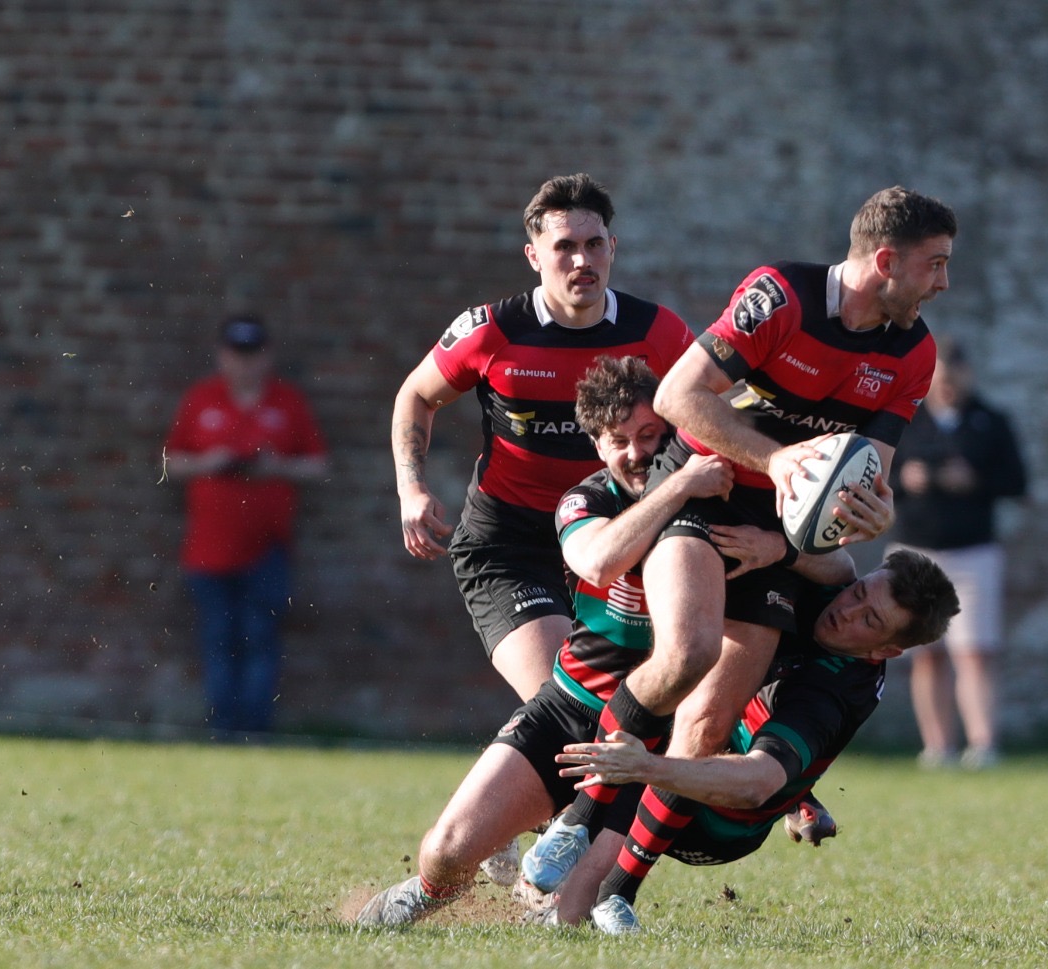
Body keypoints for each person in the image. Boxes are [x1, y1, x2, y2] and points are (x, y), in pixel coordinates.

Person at [524, 186, 957, 881]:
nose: (943, 282)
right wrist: (777, 460)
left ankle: (612, 888)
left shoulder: (914, 353)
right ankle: (579, 815)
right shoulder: (780, 297)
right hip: (704, 488)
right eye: (935, 264)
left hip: (777, 531)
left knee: (707, 722)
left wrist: (871, 514)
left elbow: (866, 474)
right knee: (689, 651)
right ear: (886, 262)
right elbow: (678, 396)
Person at [354, 354, 809, 927]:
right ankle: (426, 892)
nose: (637, 452)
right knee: (445, 853)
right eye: (619, 440)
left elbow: (828, 571)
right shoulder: (587, 498)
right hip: (571, 709)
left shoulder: (724, 500)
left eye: (650, 435)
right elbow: (597, 561)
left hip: (651, 742)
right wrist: (678, 487)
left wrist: (779, 549)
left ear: (673, 430)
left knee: (570, 913)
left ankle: (567, 896)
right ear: (596, 446)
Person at [390, 173, 693, 704]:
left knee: (645, 707)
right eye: (565, 247)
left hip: (617, 538)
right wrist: (411, 488)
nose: (582, 261)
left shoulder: (659, 332)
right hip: (513, 544)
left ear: (613, 248)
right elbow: (416, 394)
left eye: (594, 245)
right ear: (534, 257)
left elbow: (709, 411)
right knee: (566, 702)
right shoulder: (491, 331)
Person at [553, 548, 960, 933]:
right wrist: (776, 546)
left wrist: (645, 767)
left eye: (869, 620)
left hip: (717, 822)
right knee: (611, 714)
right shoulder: (829, 591)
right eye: (858, 592)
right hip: (719, 746)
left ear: (886, 650)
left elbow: (756, 783)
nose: (846, 611)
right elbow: (835, 562)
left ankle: (609, 894)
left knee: (643, 756)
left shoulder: (831, 695)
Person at [163, 313, 329, 735]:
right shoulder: (201, 399)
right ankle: (223, 727)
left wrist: (275, 467)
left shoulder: (287, 402)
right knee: (218, 639)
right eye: (237, 353)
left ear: (267, 356)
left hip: (267, 546)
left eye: (252, 354)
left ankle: (254, 730)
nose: (245, 363)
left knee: (260, 638)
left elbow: (318, 466)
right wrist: (210, 462)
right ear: (222, 355)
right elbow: (171, 462)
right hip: (208, 548)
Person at [890, 338, 1029, 769]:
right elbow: (875, 473)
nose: (948, 388)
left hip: (973, 551)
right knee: (925, 652)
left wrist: (973, 480)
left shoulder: (991, 421)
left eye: (955, 379)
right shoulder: (905, 420)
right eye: (941, 381)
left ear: (968, 375)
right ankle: (937, 747)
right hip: (916, 551)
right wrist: (905, 479)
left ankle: (983, 745)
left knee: (975, 650)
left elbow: (1017, 481)